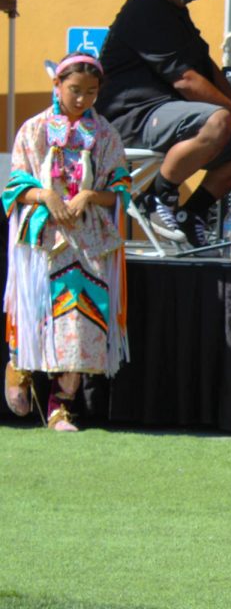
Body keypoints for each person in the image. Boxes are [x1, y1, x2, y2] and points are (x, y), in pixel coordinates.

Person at [97, 0, 231, 248]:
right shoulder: (146, 9)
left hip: (165, 113)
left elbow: (208, 69)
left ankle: (191, 214)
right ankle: (156, 198)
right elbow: (187, 81)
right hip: (130, 118)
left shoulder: (173, 10)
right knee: (217, 120)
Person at [3, 54, 131, 431]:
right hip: (43, 240)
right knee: (37, 311)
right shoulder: (34, 129)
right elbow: (14, 189)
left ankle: (62, 406)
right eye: (75, 90)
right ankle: (20, 365)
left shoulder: (105, 134)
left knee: (79, 320)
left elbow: (120, 189)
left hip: (88, 243)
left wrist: (89, 196)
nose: (82, 99)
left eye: (90, 93)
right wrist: (46, 196)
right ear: (57, 85)